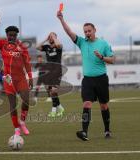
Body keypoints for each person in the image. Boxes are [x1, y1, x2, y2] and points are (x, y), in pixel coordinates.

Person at [57, 10, 115, 141]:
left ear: (95, 30)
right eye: (85, 32)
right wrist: (61, 19)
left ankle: (107, 130)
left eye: (89, 31)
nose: (87, 33)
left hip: (101, 79)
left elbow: (112, 59)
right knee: (87, 104)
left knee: (104, 105)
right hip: (88, 80)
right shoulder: (82, 42)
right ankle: (84, 132)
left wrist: (102, 57)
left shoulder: (103, 44)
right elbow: (69, 32)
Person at [0, 15, 33, 136]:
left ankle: (22, 122)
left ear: (17, 35)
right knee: (12, 105)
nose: (12, 37)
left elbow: (27, 63)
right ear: (7, 35)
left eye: (14, 35)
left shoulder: (22, 47)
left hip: (21, 78)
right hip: (8, 79)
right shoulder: (2, 43)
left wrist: (30, 77)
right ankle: (16, 129)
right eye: (10, 35)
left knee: (26, 101)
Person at [36, 32, 65, 117]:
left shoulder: (58, 46)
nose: (51, 38)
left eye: (52, 36)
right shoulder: (47, 47)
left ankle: (53, 111)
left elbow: (59, 44)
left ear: (56, 37)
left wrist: (54, 37)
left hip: (57, 71)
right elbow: (37, 47)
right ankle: (60, 107)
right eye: (50, 37)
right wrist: (45, 39)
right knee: (51, 91)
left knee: (53, 90)